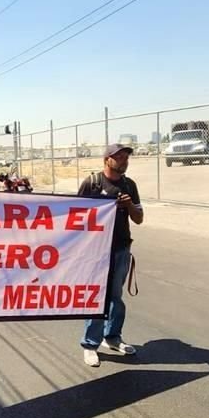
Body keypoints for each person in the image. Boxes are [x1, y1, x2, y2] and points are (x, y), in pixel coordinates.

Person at [78, 143, 143, 367]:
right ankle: (90, 344)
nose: (124, 161)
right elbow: (76, 215)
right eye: (120, 157)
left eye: (126, 157)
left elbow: (139, 218)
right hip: (96, 251)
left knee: (116, 297)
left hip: (121, 248)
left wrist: (129, 205)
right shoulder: (92, 183)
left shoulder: (129, 185)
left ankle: (113, 337)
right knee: (97, 297)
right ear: (107, 159)